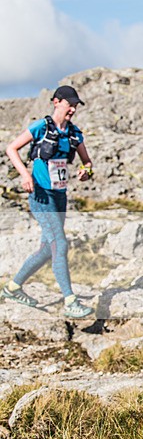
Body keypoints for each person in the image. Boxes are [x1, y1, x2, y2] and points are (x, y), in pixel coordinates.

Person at [2, 85, 95, 318]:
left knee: (47, 249)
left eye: (75, 105)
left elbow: (87, 161)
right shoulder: (41, 127)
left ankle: (12, 288)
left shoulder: (74, 134)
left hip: (59, 197)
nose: (72, 109)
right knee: (60, 245)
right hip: (41, 195)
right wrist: (25, 175)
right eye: (69, 104)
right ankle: (70, 301)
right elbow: (11, 148)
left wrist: (86, 172)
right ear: (56, 102)